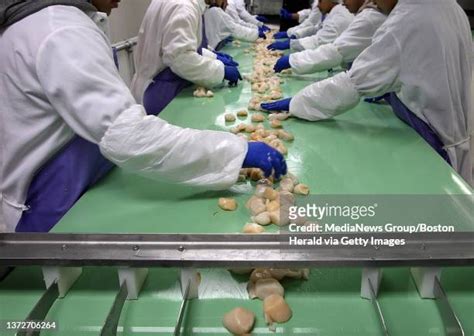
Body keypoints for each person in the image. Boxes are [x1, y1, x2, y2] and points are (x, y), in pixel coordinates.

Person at [0, 0, 287, 233]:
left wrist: (211, 59)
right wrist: (235, 150)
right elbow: (126, 135)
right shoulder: (61, 32)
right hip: (49, 203)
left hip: (79, 179)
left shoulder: (52, 22)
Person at [262, 0, 472, 186]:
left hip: (436, 143)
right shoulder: (447, 7)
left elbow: (354, 82)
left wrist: (298, 103)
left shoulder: (407, 18)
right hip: (455, 128)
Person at [131, 0, 244, 116]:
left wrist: (214, 56)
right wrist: (220, 71)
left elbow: (175, 47)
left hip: (156, 82)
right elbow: (180, 58)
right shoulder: (184, 7)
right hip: (160, 92)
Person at [274, 0, 386, 74]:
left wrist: (294, 59)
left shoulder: (367, 17)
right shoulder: (344, 12)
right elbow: (319, 28)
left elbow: (334, 49)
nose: (344, 2)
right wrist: (293, 36)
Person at [268, 0, 354, 52]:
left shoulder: (340, 17)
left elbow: (319, 40)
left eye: (320, 1)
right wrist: (295, 34)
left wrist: (292, 45)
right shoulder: (333, 12)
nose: (318, 5)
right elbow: (317, 28)